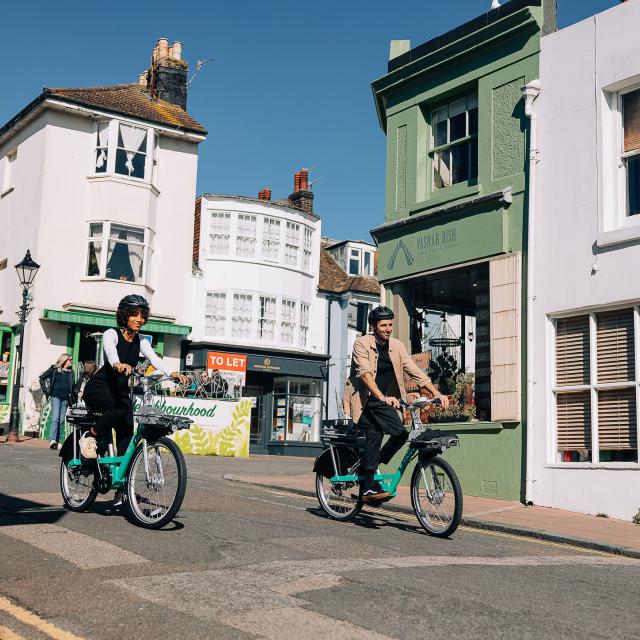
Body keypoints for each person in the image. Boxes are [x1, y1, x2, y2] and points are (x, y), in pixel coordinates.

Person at [342, 306, 449, 502]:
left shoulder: (397, 346)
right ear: (374, 326)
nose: (388, 328)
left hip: (385, 401)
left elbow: (415, 371)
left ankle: (371, 471)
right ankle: (367, 486)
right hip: (365, 400)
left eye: (390, 324)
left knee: (385, 436)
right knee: (397, 432)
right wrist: (382, 397)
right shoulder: (361, 344)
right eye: (383, 325)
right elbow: (365, 374)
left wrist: (436, 393)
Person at [75, 295, 182, 472]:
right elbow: (110, 350)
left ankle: (121, 480)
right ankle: (90, 435)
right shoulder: (112, 334)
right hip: (100, 388)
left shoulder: (141, 340)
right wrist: (117, 363)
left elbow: (154, 359)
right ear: (124, 315)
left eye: (142, 315)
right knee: (120, 408)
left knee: (127, 432)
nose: (139, 319)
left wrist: (172, 373)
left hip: (119, 391)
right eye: (134, 314)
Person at [39, 353, 75, 450]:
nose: (71, 361)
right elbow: (42, 377)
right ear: (64, 360)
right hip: (55, 396)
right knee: (55, 418)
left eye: (71, 360)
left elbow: (73, 386)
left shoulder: (71, 372)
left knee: (62, 420)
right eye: (69, 360)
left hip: (65, 398)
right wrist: (46, 390)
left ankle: (59, 441)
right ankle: (52, 440)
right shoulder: (55, 369)